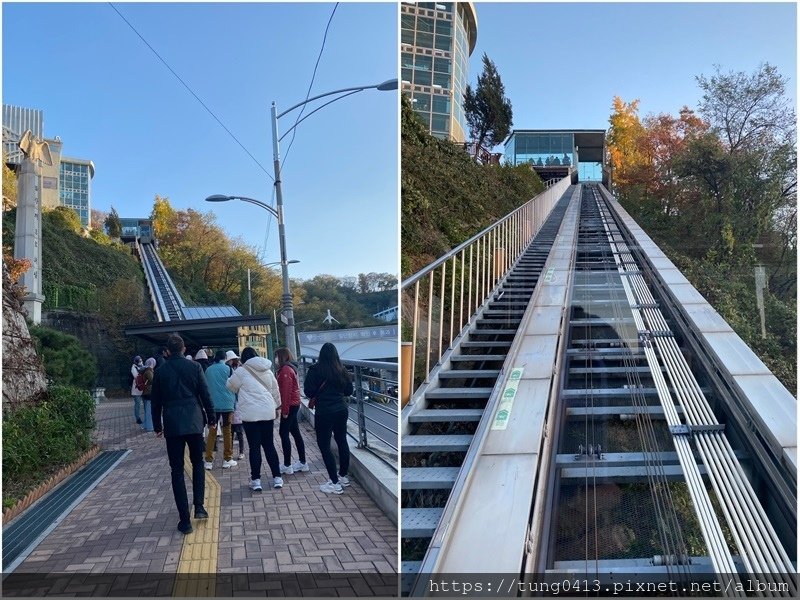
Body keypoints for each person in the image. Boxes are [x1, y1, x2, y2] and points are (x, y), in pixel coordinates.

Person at [151, 334, 215, 535]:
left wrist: (157, 426)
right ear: (184, 349)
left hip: (172, 423)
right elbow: (205, 393)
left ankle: (184, 520)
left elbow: (155, 402)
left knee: (177, 470)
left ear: (167, 351)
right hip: (194, 421)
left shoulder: (160, 371)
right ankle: (200, 507)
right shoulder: (194, 367)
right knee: (198, 463)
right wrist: (211, 417)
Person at [226, 346, 282, 491]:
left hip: (250, 415)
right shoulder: (268, 370)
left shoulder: (241, 371)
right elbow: (275, 391)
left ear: (243, 359)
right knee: (269, 445)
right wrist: (277, 407)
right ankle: (277, 478)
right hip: (267, 412)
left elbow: (230, 386)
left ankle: (256, 481)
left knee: (254, 447)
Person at [303, 342, 354, 494]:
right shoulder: (342, 370)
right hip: (341, 410)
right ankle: (343, 476)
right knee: (342, 441)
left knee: (324, 446)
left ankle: (334, 482)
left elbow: (308, 392)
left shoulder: (315, 370)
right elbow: (349, 391)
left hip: (324, 412)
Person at [274, 347, 308, 475]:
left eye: (277, 356)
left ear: (282, 357)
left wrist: (285, 410)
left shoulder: (285, 370)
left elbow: (286, 392)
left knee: (283, 433)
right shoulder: (290, 368)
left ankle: (287, 465)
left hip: (290, 405)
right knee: (295, 433)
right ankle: (303, 462)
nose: (275, 359)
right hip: (294, 404)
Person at [204, 350, 237, 469]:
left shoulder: (208, 370)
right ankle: (227, 459)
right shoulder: (228, 369)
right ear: (225, 358)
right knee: (227, 431)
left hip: (213, 405)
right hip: (227, 404)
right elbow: (234, 385)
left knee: (212, 431)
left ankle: (208, 461)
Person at [141, 358, 156, 433]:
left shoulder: (146, 370)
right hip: (149, 392)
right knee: (150, 410)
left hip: (146, 392)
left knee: (147, 410)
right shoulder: (149, 371)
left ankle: (146, 425)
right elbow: (153, 380)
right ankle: (150, 426)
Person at [131, 356, 145, 426]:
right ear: (136, 361)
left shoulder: (143, 366)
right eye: (139, 361)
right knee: (138, 404)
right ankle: (138, 418)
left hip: (144, 388)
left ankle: (146, 417)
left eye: (141, 360)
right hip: (137, 388)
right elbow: (136, 376)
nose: (140, 362)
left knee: (145, 403)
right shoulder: (134, 367)